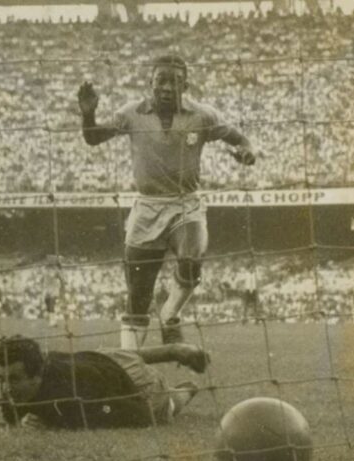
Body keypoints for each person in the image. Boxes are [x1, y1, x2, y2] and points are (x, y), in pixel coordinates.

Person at [77, 54, 258, 348]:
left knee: (191, 257)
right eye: (161, 80)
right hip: (147, 206)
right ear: (150, 82)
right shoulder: (131, 113)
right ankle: (130, 361)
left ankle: (170, 314)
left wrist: (247, 151)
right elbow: (93, 138)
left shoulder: (202, 116)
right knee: (138, 297)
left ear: (185, 86)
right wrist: (88, 115)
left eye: (174, 82)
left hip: (185, 203)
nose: (166, 87)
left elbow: (240, 138)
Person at [0, 335, 210, 430]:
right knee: (114, 358)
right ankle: (174, 350)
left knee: (162, 408)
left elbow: (139, 414)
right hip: (102, 358)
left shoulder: (71, 394)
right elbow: (12, 412)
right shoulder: (20, 382)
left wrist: (53, 423)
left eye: (14, 379)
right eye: (1, 378)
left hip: (134, 382)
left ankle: (186, 390)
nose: (5, 389)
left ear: (37, 375)